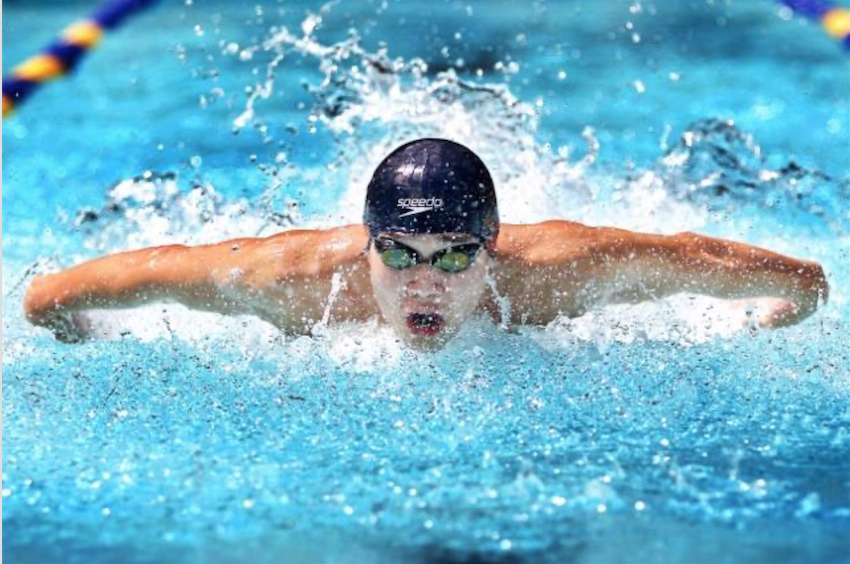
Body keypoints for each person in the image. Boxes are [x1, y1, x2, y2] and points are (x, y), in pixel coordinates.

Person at [24, 139, 829, 350]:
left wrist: (783, 313)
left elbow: (712, 261)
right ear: (367, 247)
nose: (426, 284)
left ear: (492, 250)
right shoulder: (292, 283)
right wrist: (77, 332)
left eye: (454, 256)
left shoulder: (558, 274)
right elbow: (51, 296)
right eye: (402, 256)